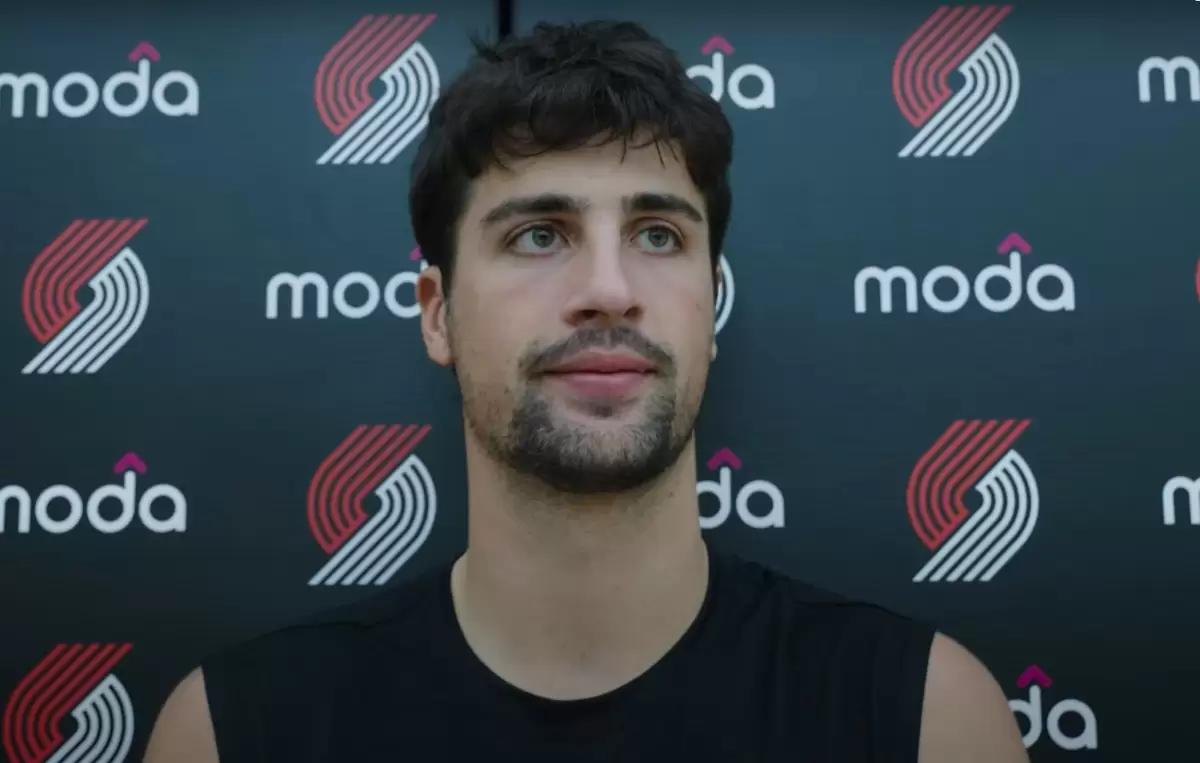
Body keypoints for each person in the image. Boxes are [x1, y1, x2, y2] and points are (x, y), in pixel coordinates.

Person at [144, 20, 1029, 763]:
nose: (609, 288)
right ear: (438, 315)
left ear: (710, 304)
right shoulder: (237, 730)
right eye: (539, 234)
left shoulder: (926, 717)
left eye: (657, 234)